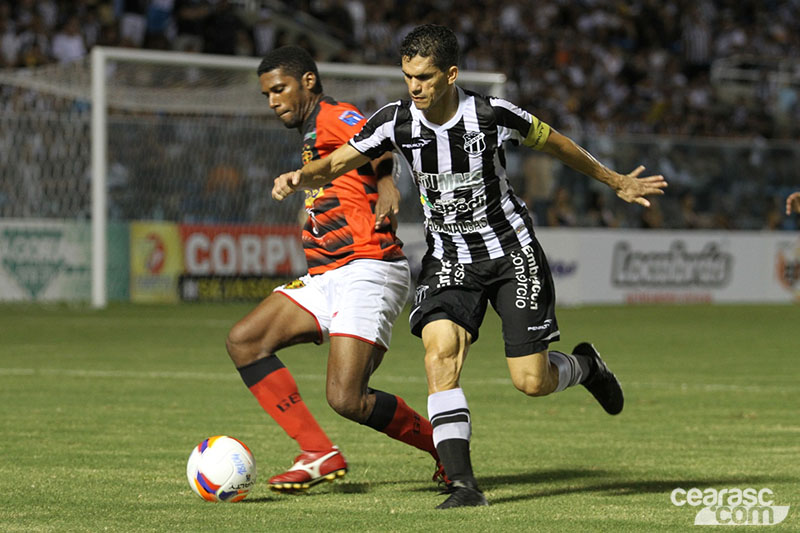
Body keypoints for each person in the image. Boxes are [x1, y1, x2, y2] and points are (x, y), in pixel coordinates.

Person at [271, 25, 668, 508]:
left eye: (424, 77)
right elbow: (338, 162)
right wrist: (300, 175)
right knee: (439, 352)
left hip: (510, 253)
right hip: (450, 258)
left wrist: (615, 180)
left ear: (451, 74)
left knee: (531, 381)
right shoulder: (395, 121)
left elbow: (557, 143)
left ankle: (586, 367)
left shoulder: (491, 113)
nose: (414, 87)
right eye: (407, 76)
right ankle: (464, 485)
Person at [226, 45, 445, 493]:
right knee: (245, 341)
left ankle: (447, 450)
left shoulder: (332, 114)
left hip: (369, 265)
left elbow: (377, 137)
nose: (273, 101)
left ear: (308, 81)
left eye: (279, 89)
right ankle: (317, 453)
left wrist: (385, 182)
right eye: (267, 94)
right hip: (326, 275)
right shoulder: (311, 135)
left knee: (346, 398)